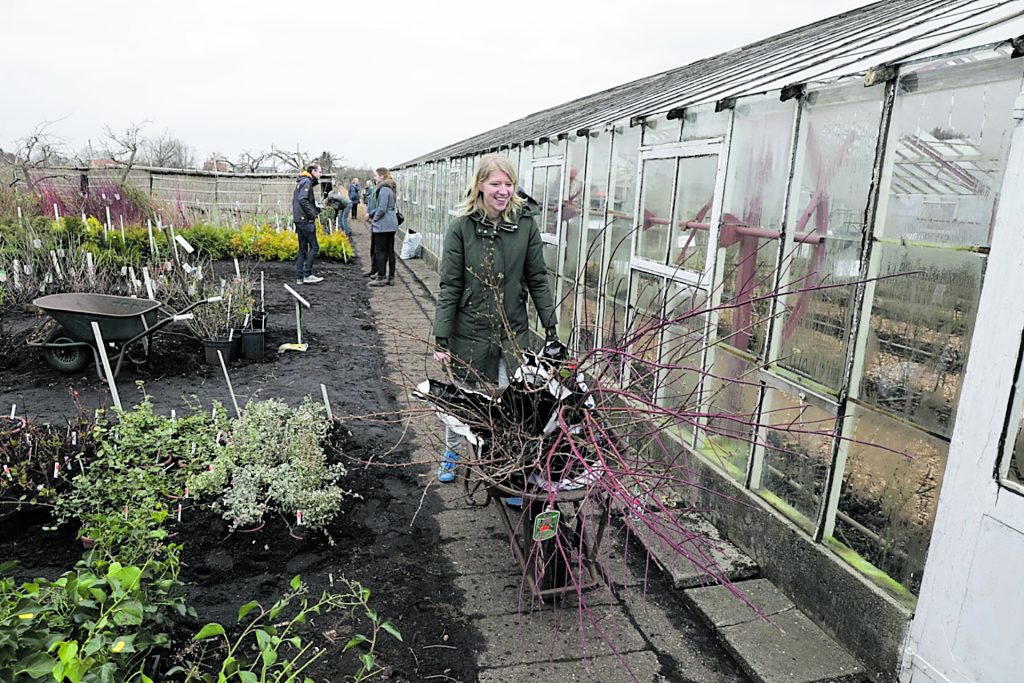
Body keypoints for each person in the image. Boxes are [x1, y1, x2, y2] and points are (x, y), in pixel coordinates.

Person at [431, 153, 558, 482]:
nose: (503, 191)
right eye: (495, 184)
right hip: (469, 327)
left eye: (508, 184)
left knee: (515, 402)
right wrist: (442, 338)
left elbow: (537, 278)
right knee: (462, 398)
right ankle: (452, 452)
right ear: (480, 186)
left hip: (512, 328)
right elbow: (451, 285)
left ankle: (509, 468)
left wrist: (552, 329)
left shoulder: (526, 225)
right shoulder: (461, 227)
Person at [292, 162, 323, 284]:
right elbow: (303, 199)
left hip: (299, 219)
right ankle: (307, 274)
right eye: (319, 171)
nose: (321, 174)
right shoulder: (306, 182)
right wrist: (312, 214)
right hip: (305, 220)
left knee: (302, 249)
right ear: (313, 172)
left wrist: (315, 208)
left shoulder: (302, 181)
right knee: (314, 246)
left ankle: (300, 277)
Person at [367, 167, 398, 287]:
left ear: (381, 176)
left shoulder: (384, 189)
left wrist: (374, 219)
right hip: (391, 223)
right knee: (390, 250)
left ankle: (381, 277)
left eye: (376, 176)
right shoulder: (391, 188)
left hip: (383, 224)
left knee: (380, 251)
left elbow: (382, 208)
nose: (374, 178)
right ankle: (391, 277)